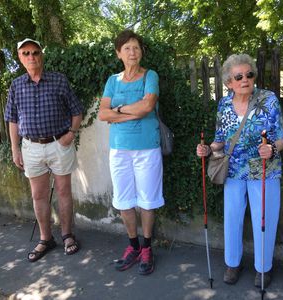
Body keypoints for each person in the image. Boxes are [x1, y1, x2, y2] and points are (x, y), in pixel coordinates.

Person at [196, 54, 283, 288]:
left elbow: (282, 137)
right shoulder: (224, 104)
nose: (245, 79)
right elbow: (220, 140)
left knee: (264, 219)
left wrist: (272, 149)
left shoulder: (268, 99)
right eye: (239, 76)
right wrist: (207, 149)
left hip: (264, 168)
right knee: (233, 218)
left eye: (249, 74)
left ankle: (263, 268)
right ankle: (233, 263)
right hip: (234, 169)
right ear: (229, 82)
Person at [4, 38, 83, 262]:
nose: (31, 57)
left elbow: (77, 111)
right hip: (31, 148)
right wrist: (14, 148)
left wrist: (71, 133)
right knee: (38, 195)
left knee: (64, 192)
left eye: (35, 52)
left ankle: (68, 235)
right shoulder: (16, 85)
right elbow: (12, 120)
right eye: (26, 53)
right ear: (20, 58)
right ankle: (46, 238)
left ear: (42, 55)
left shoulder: (58, 81)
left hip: (59, 144)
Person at [98, 30, 164, 275]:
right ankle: (133, 246)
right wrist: (130, 112)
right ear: (119, 54)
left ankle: (147, 248)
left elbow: (147, 106)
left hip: (147, 148)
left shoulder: (150, 76)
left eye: (136, 47)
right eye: (127, 48)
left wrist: (119, 110)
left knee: (147, 200)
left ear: (141, 52)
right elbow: (102, 114)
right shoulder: (112, 81)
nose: (132, 52)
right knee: (124, 200)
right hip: (119, 150)